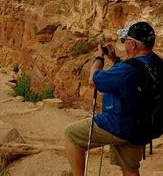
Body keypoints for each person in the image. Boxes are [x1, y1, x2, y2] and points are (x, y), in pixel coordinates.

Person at [64, 21, 158, 176]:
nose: (124, 44)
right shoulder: (155, 62)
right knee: (130, 169)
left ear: (133, 44)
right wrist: (114, 60)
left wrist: (98, 59)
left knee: (71, 134)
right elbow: (134, 77)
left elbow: (94, 80)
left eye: (124, 40)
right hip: (142, 126)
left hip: (119, 124)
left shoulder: (128, 69)